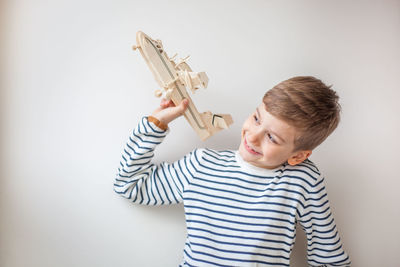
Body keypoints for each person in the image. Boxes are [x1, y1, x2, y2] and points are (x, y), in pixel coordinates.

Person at [113, 76, 351, 266]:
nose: (253, 136)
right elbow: (129, 185)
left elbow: (329, 258)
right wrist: (156, 123)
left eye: (272, 137)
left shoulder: (302, 180)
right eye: (257, 118)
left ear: (298, 155)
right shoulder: (201, 165)